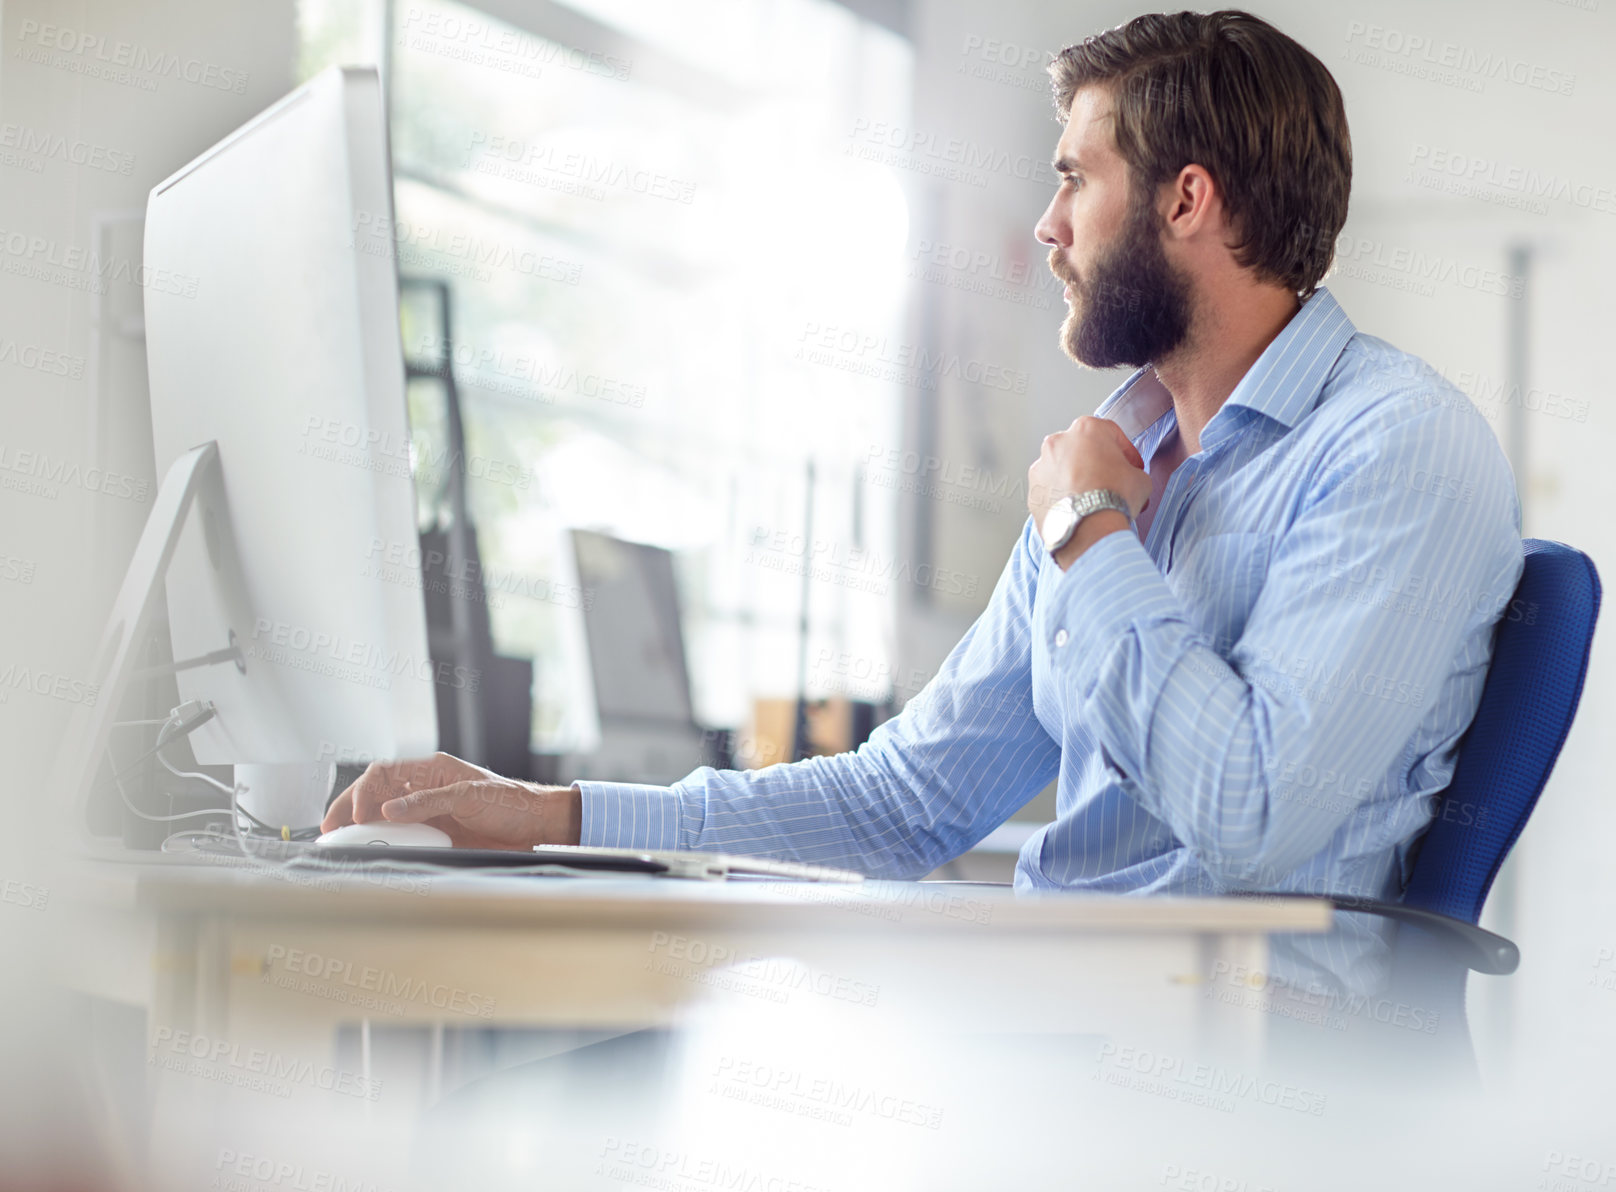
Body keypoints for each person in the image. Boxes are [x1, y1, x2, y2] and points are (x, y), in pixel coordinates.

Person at [323, 10, 1521, 992]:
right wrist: (560, 816)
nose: (1046, 229)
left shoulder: (1394, 449)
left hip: (1231, 1062)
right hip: (1060, 1017)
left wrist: (1088, 535)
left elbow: (1246, 811)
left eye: (1073, 180)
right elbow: (905, 801)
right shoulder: (1116, 458)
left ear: (1185, 202)